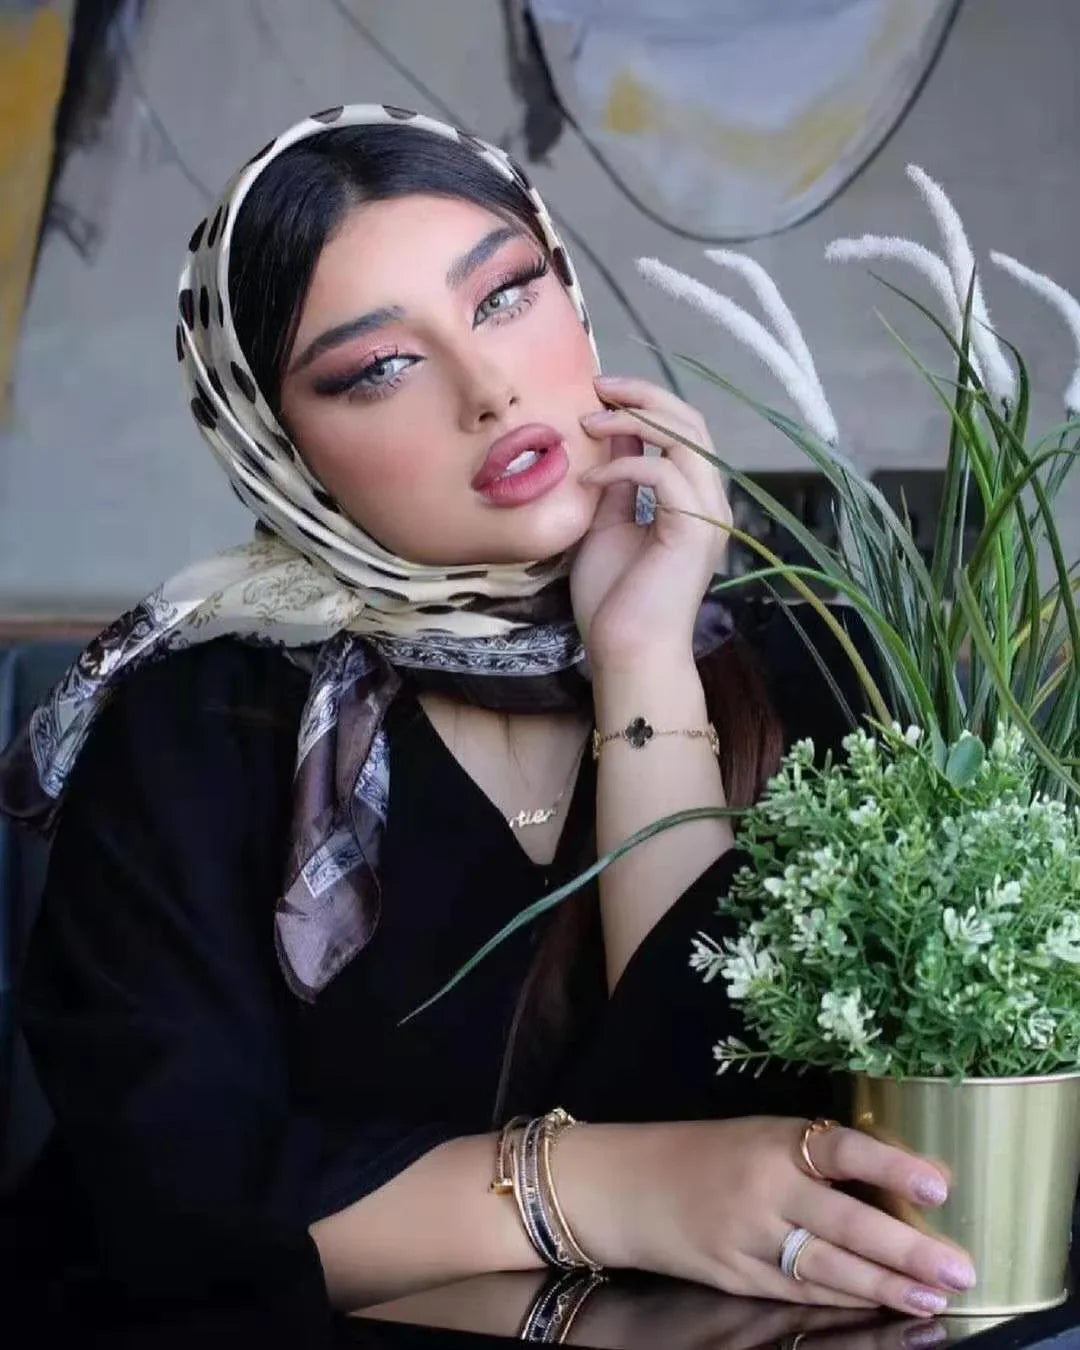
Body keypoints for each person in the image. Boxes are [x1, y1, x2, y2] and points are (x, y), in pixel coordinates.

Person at [0, 104, 975, 1319]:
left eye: (505, 296)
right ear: (284, 450)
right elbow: (176, 1194)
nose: (487, 389)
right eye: (378, 369)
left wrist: (642, 657)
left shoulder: (815, 668)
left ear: (568, 289)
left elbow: (753, 1110)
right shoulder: (201, 724)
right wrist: (601, 1187)